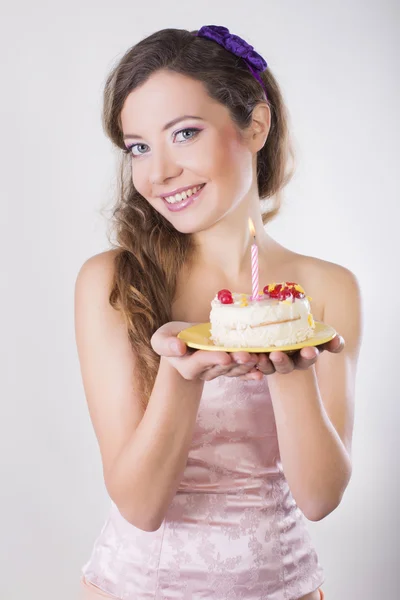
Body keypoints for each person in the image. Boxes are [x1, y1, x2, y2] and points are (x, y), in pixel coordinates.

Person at [74, 25, 362, 600]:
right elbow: (140, 505)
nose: (157, 173)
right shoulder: (113, 280)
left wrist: (291, 368)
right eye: (138, 147)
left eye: (184, 133)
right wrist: (181, 376)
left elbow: (319, 499)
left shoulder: (326, 288)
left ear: (255, 125)